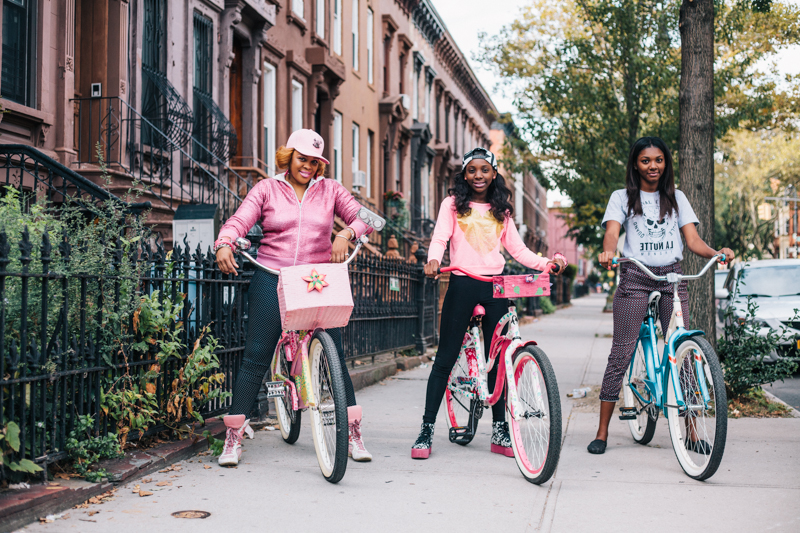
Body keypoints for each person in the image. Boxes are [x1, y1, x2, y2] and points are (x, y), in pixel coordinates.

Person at [213, 129, 373, 466]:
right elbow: (240, 220)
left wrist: (346, 232)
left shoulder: (331, 190)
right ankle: (233, 436)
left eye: (315, 162)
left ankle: (353, 432)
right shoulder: (267, 188)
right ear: (289, 157)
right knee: (256, 354)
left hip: (316, 280)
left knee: (336, 355)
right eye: (302, 159)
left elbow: (367, 219)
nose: (308, 167)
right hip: (273, 275)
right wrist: (225, 241)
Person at [411, 147, 566, 459]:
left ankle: (500, 429)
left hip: (496, 286)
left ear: (494, 174)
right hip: (462, 284)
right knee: (445, 357)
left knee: (500, 359)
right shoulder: (452, 205)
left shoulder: (502, 212)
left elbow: (518, 251)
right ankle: (426, 428)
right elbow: (440, 238)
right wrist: (432, 259)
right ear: (465, 175)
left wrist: (545, 263)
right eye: (472, 170)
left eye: (485, 170)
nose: (478, 176)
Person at [588, 136, 734, 455]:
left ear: (666, 163)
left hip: (672, 276)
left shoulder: (677, 197)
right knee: (622, 352)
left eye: (658, 160)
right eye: (645, 160)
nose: (652, 166)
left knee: (683, 351)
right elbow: (612, 232)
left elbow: (692, 240)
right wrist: (608, 251)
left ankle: (693, 433)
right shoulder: (622, 197)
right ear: (635, 164)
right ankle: (601, 432)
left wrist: (716, 252)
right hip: (636, 276)